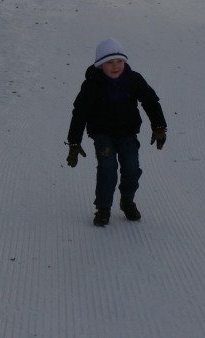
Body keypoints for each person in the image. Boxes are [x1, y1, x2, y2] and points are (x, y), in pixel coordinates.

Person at [65, 38, 167, 227]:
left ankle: (127, 200)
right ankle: (103, 208)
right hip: (102, 133)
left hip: (128, 132)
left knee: (131, 167)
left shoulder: (133, 79)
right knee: (108, 167)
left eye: (119, 61)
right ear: (99, 65)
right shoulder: (91, 85)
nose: (115, 66)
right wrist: (74, 142)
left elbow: (151, 101)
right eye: (109, 62)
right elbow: (79, 113)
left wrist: (159, 126)